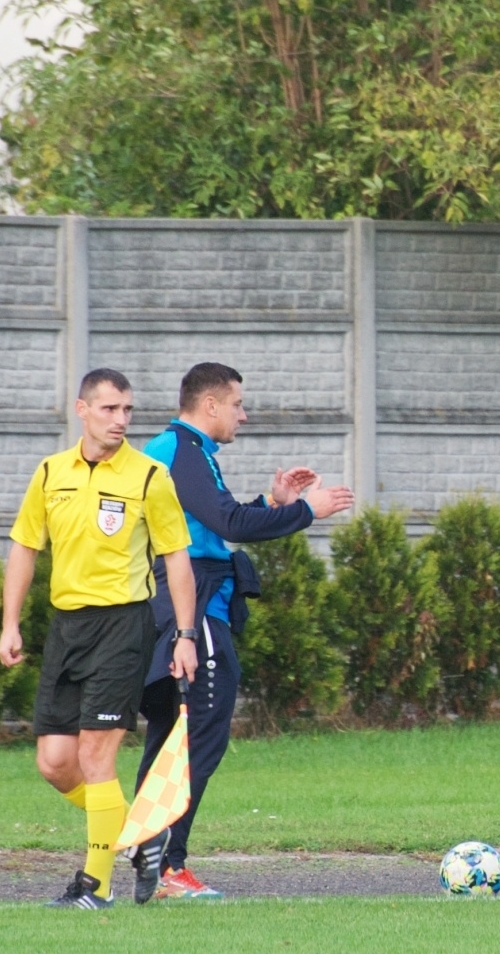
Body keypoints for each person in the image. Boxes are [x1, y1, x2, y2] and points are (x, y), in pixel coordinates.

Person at [130, 363, 355, 903]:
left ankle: (148, 855)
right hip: (193, 607)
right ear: (210, 405)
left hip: (179, 602)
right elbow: (228, 526)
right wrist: (304, 511)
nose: (243, 414)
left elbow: (218, 518)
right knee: (200, 737)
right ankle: (166, 867)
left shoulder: (187, 452)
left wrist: (272, 505)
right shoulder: (180, 450)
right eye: (237, 404)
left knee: (172, 739)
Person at [0, 368, 197, 909]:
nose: (121, 420)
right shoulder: (49, 472)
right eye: (109, 410)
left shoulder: (150, 476)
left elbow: (176, 558)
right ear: (81, 409)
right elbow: (24, 547)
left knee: (95, 755)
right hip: (67, 628)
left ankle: (96, 886)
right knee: (55, 763)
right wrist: (10, 623)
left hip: (124, 626)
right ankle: (138, 834)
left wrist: (183, 634)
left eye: (127, 410)